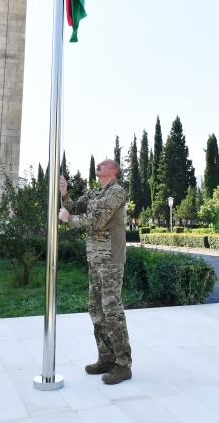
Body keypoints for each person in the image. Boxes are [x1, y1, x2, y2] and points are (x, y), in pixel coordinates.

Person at [59, 158, 132, 385]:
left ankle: (123, 364)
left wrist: (70, 220)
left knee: (112, 310)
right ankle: (106, 358)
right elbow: (73, 208)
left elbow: (97, 220)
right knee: (96, 308)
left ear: (113, 171)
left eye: (103, 164)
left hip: (110, 258)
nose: (98, 165)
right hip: (95, 258)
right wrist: (64, 194)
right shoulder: (93, 193)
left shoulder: (117, 192)